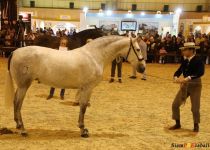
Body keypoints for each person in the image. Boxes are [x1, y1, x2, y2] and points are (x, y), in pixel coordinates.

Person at [169, 42, 205, 132]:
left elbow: (200, 72)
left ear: (191, 50)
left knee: (195, 108)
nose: (183, 51)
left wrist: (188, 78)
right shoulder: (185, 61)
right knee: (175, 104)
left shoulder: (199, 60)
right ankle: (177, 123)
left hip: (195, 85)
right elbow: (178, 71)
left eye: (185, 50)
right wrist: (176, 77)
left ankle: (196, 125)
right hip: (185, 85)